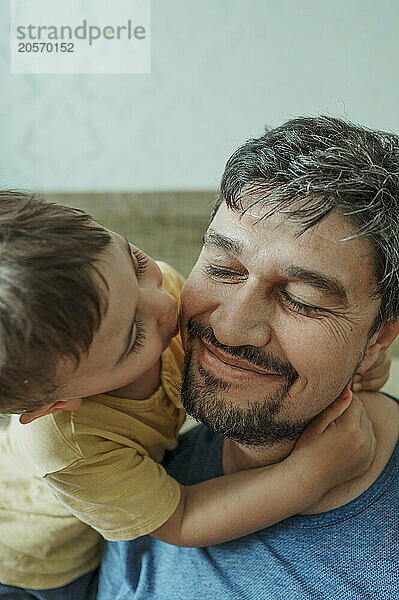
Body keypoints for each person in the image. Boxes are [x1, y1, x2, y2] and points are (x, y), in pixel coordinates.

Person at [0, 192, 380, 599]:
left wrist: (358, 353)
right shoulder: (70, 448)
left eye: (136, 263)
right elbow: (182, 517)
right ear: (60, 404)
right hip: (40, 563)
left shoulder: (140, 297)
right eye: (135, 335)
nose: (164, 302)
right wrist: (310, 473)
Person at [98, 115, 399, 600]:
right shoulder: (142, 475)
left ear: (380, 335)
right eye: (223, 268)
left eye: (301, 298)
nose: (231, 327)